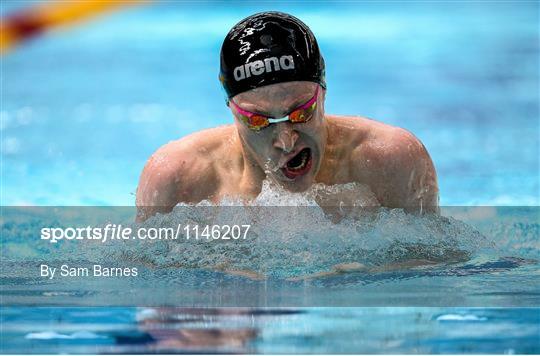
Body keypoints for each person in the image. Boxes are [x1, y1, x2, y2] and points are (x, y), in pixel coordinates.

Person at [136, 11, 438, 222]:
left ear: (323, 90)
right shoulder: (179, 179)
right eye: (257, 120)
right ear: (230, 106)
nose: (285, 139)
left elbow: (429, 280)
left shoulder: (389, 161)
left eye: (300, 112)